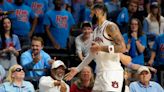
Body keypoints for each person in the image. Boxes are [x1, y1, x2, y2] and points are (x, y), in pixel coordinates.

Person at [64, 3, 156, 92]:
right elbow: (92, 53)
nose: (91, 15)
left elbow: (122, 47)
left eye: (93, 12)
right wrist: (77, 69)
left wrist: (101, 48)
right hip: (100, 72)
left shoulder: (110, 26)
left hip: (112, 72)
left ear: (100, 11)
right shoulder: (95, 30)